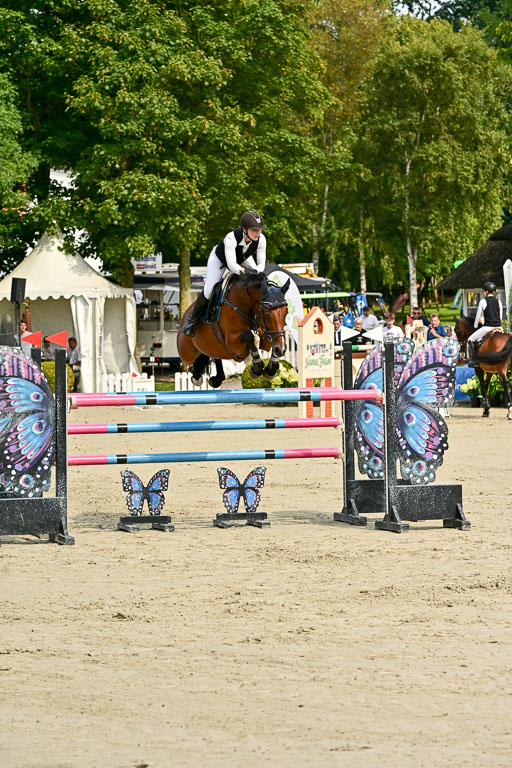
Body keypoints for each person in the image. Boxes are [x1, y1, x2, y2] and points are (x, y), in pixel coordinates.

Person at [182, 211, 267, 337]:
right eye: (255, 229)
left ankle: (258, 318)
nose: (258, 232)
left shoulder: (261, 239)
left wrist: (256, 273)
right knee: (209, 290)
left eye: (260, 229)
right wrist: (244, 271)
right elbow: (232, 264)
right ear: (244, 229)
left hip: (242, 258)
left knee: (259, 282)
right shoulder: (231, 238)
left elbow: (261, 264)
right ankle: (192, 321)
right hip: (220, 260)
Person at [467, 282, 503, 366]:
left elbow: (478, 316)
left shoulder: (483, 301)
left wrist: (475, 327)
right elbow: (500, 317)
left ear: (486, 291)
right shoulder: (499, 301)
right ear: (493, 291)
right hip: (499, 328)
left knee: (470, 339)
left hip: (487, 328)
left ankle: (473, 361)